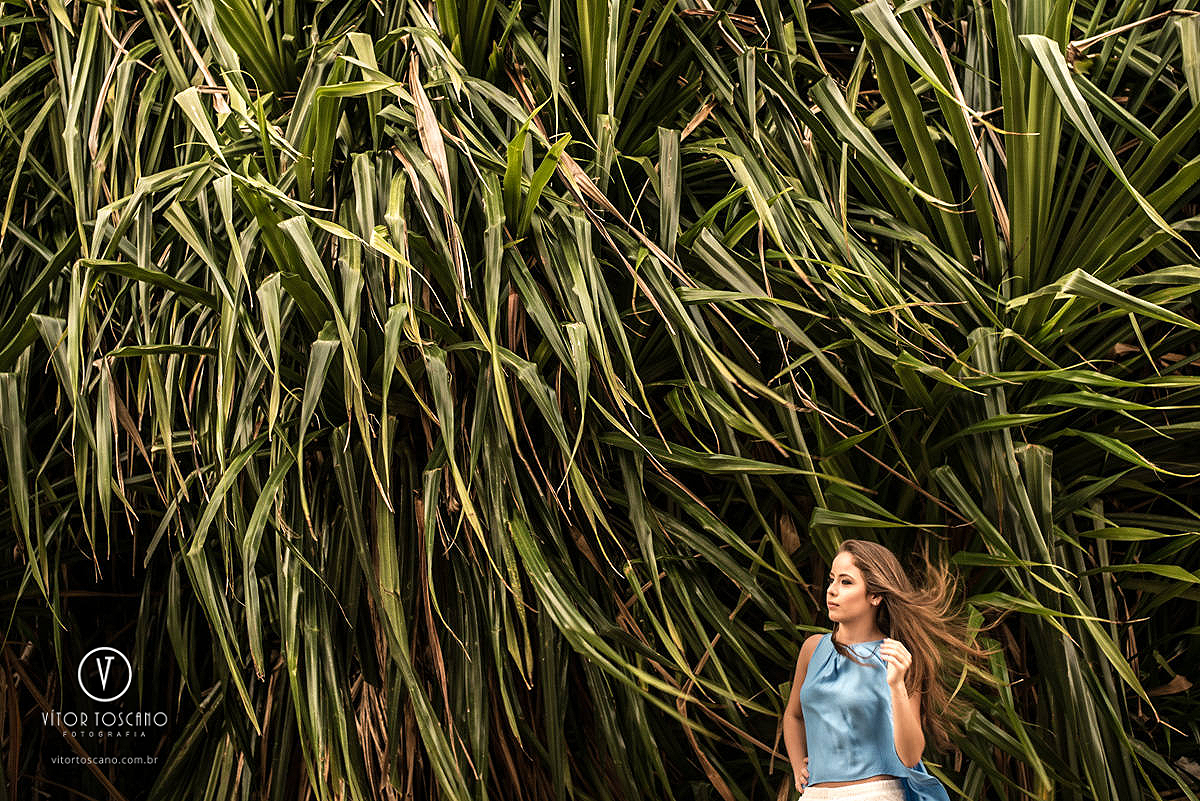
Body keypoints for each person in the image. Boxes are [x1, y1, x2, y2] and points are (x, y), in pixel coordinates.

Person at [782, 539, 993, 800]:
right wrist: (797, 766)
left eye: (846, 582)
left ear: (875, 595)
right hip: (815, 794)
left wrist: (896, 685)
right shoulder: (813, 649)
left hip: (872, 794)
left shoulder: (895, 656)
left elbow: (910, 756)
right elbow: (793, 716)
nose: (832, 590)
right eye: (832, 579)